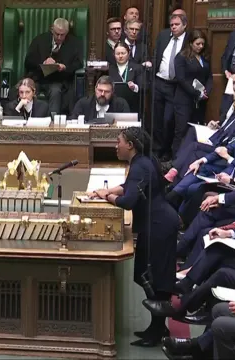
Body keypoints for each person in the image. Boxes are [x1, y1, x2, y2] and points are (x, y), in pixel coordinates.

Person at [88, 127, 178, 347]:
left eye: (118, 141)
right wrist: (104, 191)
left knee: (156, 278)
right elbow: (129, 187)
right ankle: (156, 326)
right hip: (156, 224)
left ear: (130, 145)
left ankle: (158, 330)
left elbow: (129, 201)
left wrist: (108, 197)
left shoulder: (141, 165)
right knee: (145, 274)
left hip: (159, 226)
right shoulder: (142, 162)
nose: (115, 146)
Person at [23, 18, 83, 114]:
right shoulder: (40, 40)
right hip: (38, 78)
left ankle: (52, 121)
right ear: (52, 30)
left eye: (62, 35)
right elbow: (28, 61)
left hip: (58, 81)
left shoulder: (74, 44)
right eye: (56, 34)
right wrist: (43, 63)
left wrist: (65, 67)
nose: (59, 37)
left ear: (67, 32)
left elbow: (78, 64)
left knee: (55, 91)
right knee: (27, 89)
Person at [151, 12, 188, 160]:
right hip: (159, 82)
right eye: (171, 24)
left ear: (184, 25)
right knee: (156, 119)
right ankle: (157, 150)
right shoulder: (163, 35)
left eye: (176, 24)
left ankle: (167, 150)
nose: (173, 27)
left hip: (175, 86)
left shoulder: (188, 40)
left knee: (168, 119)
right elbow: (157, 54)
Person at [172, 29, 212, 155]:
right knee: (182, 130)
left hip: (200, 102)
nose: (200, 46)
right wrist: (197, 93)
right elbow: (181, 79)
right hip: (184, 100)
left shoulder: (204, 58)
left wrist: (207, 92)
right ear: (190, 43)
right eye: (198, 44)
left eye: (202, 44)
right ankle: (176, 159)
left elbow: (209, 77)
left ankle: (191, 158)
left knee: (196, 131)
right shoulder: (181, 57)